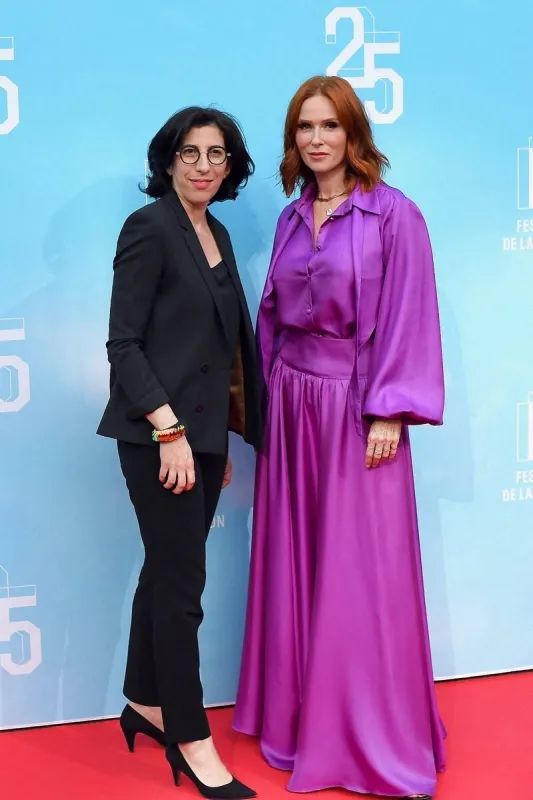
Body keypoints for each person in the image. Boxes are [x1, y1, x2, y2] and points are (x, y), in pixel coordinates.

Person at [234, 76, 446, 800]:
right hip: (292, 404)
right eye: (305, 127)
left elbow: (411, 312)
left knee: (359, 572)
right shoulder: (293, 216)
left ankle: (365, 735)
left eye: (330, 125)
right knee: (296, 560)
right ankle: (299, 721)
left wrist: (390, 410)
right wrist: (262, 405)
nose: (317, 139)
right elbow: (272, 319)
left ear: (354, 133)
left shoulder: (394, 214)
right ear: (292, 139)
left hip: (358, 409)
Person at [97, 106, 261, 800]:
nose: (202, 165)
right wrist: (170, 432)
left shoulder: (216, 232)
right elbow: (124, 343)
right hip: (157, 437)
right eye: (189, 152)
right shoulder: (150, 228)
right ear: (167, 161)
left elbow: (218, 353)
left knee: (164, 572)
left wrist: (215, 440)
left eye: (216, 154)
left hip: (203, 439)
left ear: (230, 167)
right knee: (181, 587)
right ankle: (191, 738)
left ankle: (145, 699)